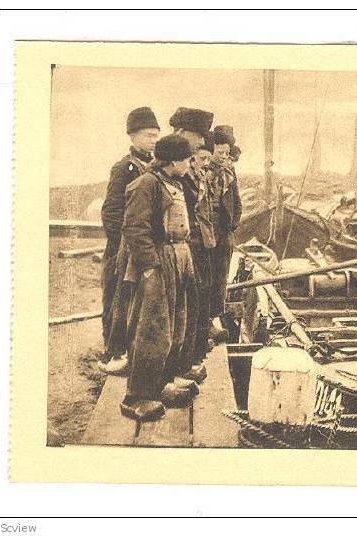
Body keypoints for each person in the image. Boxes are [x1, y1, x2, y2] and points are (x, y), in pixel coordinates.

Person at [119, 134, 202, 421]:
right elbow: (134, 228)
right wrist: (150, 266)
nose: (191, 163)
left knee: (178, 325)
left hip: (180, 257)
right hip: (160, 260)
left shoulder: (175, 183)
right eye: (187, 158)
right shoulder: (147, 184)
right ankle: (136, 397)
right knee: (153, 329)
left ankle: (162, 384)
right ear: (173, 160)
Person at [99, 107, 160, 374]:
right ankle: (112, 354)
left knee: (137, 301)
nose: (153, 139)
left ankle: (130, 353)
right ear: (133, 135)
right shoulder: (124, 168)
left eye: (156, 135)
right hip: (121, 249)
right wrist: (123, 243)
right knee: (116, 299)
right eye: (148, 135)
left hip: (140, 247)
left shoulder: (154, 168)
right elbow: (111, 212)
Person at [169, 108, 216, 381]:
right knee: (184, 308)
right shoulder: (172, 165)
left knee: (197, 304)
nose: (201, 142)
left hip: (198, 246)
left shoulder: (190, 164)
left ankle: (192, 360)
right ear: (181, 133)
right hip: (182, 249)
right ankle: (182, 365)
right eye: (198, 136)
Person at [208, 125, 242, 333]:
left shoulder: (229, 172)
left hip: (224, 229)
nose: (223, 156)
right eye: (219, 152)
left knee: (221, 275)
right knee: (207, 275)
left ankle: (215, 315)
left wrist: (233, 224)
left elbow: (236, 201)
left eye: (226, 153)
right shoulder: (203, 170)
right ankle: (207, 321)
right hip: (208, 228)